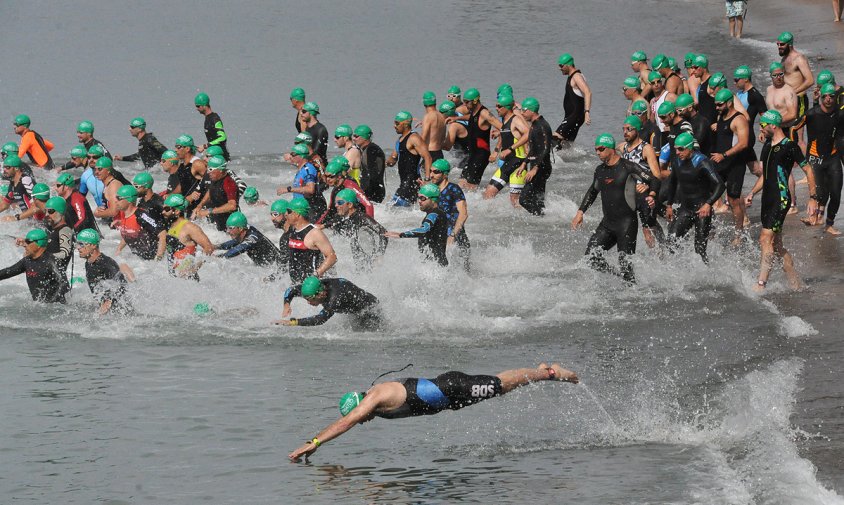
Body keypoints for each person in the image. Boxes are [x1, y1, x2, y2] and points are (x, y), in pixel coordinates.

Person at [288, 362, 579, 461]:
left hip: (453, 388)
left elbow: (344, 424)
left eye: (360, 417)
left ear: (360, 407)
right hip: (450, 399)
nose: (361, 422)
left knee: (500, 385)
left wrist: (313, 443)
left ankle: (549, 372)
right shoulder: (373, 402)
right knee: (499, 386)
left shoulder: (374, 399)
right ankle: (541, 372)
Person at [745, 110, 818, 291]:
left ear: (773, 125)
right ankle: (796, 284)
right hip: (767, 199)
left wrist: (813, 198)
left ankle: (761, 283)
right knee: (777, 246)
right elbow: (766, 175)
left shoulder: (789, 146)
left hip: (781, 199)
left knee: (765, 239)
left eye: (762, 124)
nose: (760, 128)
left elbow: (808, 169)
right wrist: (752, 193)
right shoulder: (767, 146)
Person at [571, 134, 655, 284]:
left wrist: (650, 191)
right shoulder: (600, 170)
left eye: (601, 149)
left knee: (626, 267)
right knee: (591, 258)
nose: (597, 152)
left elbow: (653, 178)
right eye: (596, 149)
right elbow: (592, 191)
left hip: (627, 225)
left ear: (611, 149)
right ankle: (617, 276)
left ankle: (631, 291)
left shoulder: (628, 167)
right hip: (607, 224)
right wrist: (580, 212)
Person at [663, 132, 726, 263]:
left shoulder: (702, 162)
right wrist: (669, 205)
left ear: (690, 148)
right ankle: (679, 270)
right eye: (675, 149)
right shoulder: (676, 161)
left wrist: (708, 204)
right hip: (685, 209)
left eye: (681, 149)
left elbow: (720, 185)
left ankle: (707, 273)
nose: (677, 152)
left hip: (702, 210)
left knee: (699, 249)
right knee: (671, 241)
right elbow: (672, 183)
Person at [801, 84, 843, 233]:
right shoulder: (812, 113)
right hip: (815, 159)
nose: (828, 99)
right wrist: (795, 154)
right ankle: (815, 217)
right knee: (819, 192)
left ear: (835, 97)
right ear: (821, 97)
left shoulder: (840, 114)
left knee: (836, 194)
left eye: (831, 96)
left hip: (833, 158)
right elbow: (794, 128)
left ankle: (829, 224)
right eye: (825, 96)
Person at [620, 115, 664, 248]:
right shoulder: (623, 148)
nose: (625, 132)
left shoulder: (646, 148)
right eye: (623, 129)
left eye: (629, 129)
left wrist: (648, 187)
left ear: (637, 130)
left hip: (645, 194)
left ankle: (663, 254)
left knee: (649, 229)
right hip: (631, 195)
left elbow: (657, 175)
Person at [711, 88, 750, 239]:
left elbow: (744, 143)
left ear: (729, 102)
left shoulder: (739, 119)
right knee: (711, 193)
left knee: (733, 200)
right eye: (716, 105)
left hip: (735, 164)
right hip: (720, 162)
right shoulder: (721, 116)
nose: (717, 108)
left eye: (720, 105)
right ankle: (711, 229)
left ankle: (738, 234)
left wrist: (724, 155)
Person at [275, 275, 381, 329]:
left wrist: (292, 322)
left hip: (370, 310)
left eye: (311, 300)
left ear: (321, 294)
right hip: (354, 311)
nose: (308, 303)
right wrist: (286, 304)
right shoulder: (315, 286)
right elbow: (291, 290)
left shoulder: (335, 299)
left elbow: (320, 319)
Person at [385, 183, 449, 267]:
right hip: (435, 265)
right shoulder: (438, 213)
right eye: (419, 197)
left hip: (435, 267)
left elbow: (424, 229)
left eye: (423, 198)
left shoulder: (434, 214)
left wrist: (401, 234)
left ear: (433, 200)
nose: (419, 201)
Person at [0, 228, 69, 303]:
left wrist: (51, 302)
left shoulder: (51, 261)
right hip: (39, 306)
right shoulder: (27, 261)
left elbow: (65, 284)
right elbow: (8, 272)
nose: (24, 244)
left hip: (55, 308)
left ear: (39, 244)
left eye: (28, 241)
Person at [75, 228, 133, 315]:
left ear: (94, 246)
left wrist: (108, 300)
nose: (78, 248)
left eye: (81, 244)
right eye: (77, 244)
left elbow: (122, 285)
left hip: (120, 312)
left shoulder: (106, 264)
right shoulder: (88, 263)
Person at [485, 95, 530, 204]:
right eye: (496, 106)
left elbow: (528, 133)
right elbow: (511, 135)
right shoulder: (505, 121)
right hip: (507, 163)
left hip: (518, 164)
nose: (496, 108)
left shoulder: (515, 119)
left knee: (515, 202)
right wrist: (499, 133)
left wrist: (511, 149)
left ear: (507, 107)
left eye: (499, 106)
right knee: (488, 194)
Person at [161, 193, 215, 280]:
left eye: (166, 209)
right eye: (163, 208)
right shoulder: (170, 225)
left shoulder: (189, 227)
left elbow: (209, 248)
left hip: (189, 280)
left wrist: (192, 269)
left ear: (177, 211)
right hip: (175, 279)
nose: (163, 212)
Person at [430, 159, 470, 271]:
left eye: (436, 172)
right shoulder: (432, 190)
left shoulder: (454, 189)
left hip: (456, 237)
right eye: (430, 171)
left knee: (463, 274)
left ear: (445, 174)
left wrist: (452, 235)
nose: (431, 175)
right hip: (439, 235)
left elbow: (463, 214)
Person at [284, 198, 337, 283]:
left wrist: (315, 275)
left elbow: (332, 257)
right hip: (296, 283)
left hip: (311, 285)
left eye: (289, 211)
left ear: (297, 214)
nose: (286, 214)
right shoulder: (294, 230)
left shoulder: (314, 233)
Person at [332, 188, 388, 268]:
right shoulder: (341, 217)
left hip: (368, 260)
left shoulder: (362, 218)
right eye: (336, 203)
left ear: (350, 205)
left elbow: (384, 233)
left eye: (340, 203)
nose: (336, 205)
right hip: (355, 260)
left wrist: (379, 255)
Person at [387, 110, 432, 205]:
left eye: (397, 123)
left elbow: (427, 157)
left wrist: (427, 180)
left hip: (412, 182)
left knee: (393, 209)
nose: (394, 126)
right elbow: (392, 160)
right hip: (404, 182)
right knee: (400, 211)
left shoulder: (414, 138)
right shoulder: (399, 140)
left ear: (406, 124)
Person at [452, 88, 493, 190]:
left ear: (475, 101)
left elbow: (502, 126)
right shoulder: (474, 112)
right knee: (461, 184)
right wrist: (456, 118)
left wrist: (496, 150)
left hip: (481, 156)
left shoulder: (484, 113)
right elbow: (471, 117)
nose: (464, 104)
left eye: (466, 102)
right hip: (472, 155)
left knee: (471, 188)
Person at [316, 157, 374, 228]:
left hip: (358, 218)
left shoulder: (350, 185)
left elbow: (368, 205)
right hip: (345, 217)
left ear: (339, 176)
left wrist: (370, 225)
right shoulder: (335, 189)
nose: (327, 179)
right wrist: (318, 224)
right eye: (326, 176)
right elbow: (330, 210)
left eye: (331, 176)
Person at [519, 97, 553, 215]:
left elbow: (545, 149)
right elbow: (533, 149)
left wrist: (535, 168)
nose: (522, 113)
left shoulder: (542, 126)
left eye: (524, 110)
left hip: (541, 168)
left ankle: (541, 216)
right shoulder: (534, 125)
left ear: (532, 110)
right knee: (537, 199)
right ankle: (544, 218)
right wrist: (524, 163)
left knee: (523, 199)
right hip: (537, 166)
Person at [214, 211, 284, 268]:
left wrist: (219, 257)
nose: (228, 231)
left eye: (231, 228)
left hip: (279, 268)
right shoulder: (244, 231)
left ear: (240, 228)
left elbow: (240, 248)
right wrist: (216, 247)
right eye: (227, 228)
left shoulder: (253, 236)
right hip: (268, 267)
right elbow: (235, 242)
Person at [113, 185, 165, 261]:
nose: (115, 201)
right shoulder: (124, 214)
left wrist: (158, 257)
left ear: (129, 200)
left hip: (149, 260)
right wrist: (118, 250)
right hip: (138, 259)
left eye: (119, 198)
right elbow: (130, 233)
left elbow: (162, 233)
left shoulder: (141, 215)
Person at [278, 143, 327, 221]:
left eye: (293, 154)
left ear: (301, 156)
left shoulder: (308, 169)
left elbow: (310, 189)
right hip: (300, 209)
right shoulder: (302, 168)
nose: (291, 156)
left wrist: (289, 189)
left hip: (309, 210)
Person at [734, 65, 767, 175]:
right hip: (738, 134)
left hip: (747, 135)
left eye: (736, 80)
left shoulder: (755, 95)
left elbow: (764, 115)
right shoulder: (739, 93)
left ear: (746, 79)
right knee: (755, 169)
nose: (734, 83)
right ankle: (768, 183)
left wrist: (762, 131)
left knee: (735, 165)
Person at [193, 155, 239, 231]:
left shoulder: (229, 183)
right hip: (217, 220)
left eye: (210, 169)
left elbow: (232, 205)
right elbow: (210, 191)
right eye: (207, 169)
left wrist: (209, 211)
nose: (208, 172)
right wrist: (200, 205)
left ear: (220, 170)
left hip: (230, 226)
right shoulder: (215, 179)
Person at [778, 32, 815, 126]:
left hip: (799, 99)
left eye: (782, 44)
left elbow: (810, 80)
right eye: (777, 44)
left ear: (790, 44)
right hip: (788, 99)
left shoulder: (799, 58)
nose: (779, 46)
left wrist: (793, 92)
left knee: (798, 131)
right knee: (789, 129)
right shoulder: (784, 59)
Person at [554, 53, 591, 146]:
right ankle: (567, 160)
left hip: (575, 116)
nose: (560, 68)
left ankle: (550, 159)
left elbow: (588, 92)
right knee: (566, 144)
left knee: (554, 138)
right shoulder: (572, 76)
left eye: (561, 66)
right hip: (573, 116)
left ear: (568, 65)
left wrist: (587, 112)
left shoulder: (576, 76)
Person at [174, 135, 208, 213]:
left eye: (178, 147)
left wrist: (195, 195)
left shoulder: (197, 164)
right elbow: (182, 184)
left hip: (199, 208)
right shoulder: (182, 165)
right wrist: (170, 195)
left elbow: (212, 182)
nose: (175, 150)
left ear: (187, 149)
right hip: (187, 206)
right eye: (175, 147)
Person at [352, 125, 386, 203]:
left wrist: (366, 192)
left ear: (364, 138)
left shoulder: (372, 149)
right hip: (374, 190)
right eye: (353, 136)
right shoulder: (366, 149)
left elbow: (373, 174)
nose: (353, 139)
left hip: (373, 191)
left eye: (356, 136)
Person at [194, 92, 230, 160]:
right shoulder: (207, 118)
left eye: (198, 106)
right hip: (213, 153)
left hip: (221, 156)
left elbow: (223, 137)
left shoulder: (215, 119)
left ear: (204, 105)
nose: (196, 108)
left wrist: (205, 146)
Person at [42, 197, 73, 272]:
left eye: (50, 211)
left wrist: (43, 257)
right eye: (45, 211)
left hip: (57, 279)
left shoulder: (65, 230)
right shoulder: (52, 230)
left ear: (61, 212)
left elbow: (65, 253)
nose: (46, 214)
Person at [439, 101, 471, 173]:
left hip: (466, 159)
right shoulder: (459, 115)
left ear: (447, 114)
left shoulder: (454, 126)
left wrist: (432, 144)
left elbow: (447, 147)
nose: (439, 115)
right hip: (471, 154)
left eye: (441, 113)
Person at [92, 157, 125, 222]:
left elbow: (114, 211)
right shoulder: (107, 185)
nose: (96, 172)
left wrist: (97, 214)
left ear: (108, 171)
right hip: (116, 225)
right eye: (95, 169)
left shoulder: (113, 186)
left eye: (100, 169)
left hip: (121, 226)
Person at [420, 91, 446, 161]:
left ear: (424, 103)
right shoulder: (442, 116)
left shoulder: (428, 116)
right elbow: (443, 137)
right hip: (439, 153)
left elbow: (423, 137)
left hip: (430, 153)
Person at [690, 55, 716, 124]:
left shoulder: (711, 83)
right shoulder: (701, 84)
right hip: (703, 125)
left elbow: (723, 103)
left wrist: (718, 123)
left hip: (711, 126)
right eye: (692, 68)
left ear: (703, 67)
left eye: (696, 67)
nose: (693, 70)